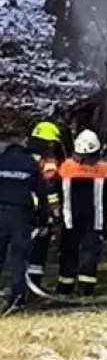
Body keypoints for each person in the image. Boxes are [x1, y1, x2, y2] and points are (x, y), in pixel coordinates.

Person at [57, 129, 107, 297]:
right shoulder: (105, 169)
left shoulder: (65, 167)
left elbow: (56, 191)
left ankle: (64, 288)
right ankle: (85, 289)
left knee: (68, 251)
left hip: (70, 218)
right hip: (95, 219)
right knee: (90, 252)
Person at [0, 131, 49, 312]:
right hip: (21, 215)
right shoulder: (30, 163)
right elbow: (41, 194)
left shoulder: (1, 160)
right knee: (19, 259)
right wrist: (44, 219)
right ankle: (18, 299)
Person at [24, 121, 63, 291]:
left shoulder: (23, 156)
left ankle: (20, 283)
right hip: (39, 211)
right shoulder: (48, 161)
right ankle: (33, 283)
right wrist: (54, 211)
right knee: (40, 246)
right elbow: (50, 188)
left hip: (19, 209)